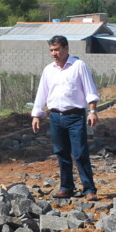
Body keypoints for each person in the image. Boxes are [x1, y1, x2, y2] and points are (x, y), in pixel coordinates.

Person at [30, 35, 100, 201]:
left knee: (79, 152)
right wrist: (37, 115)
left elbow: (90, 89)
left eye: (57, 49)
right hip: (55, 116)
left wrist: (92, 111)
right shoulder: (48, 70)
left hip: (75, 116)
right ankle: (66, 187)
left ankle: (89, 189)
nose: (54, 53)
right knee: (61, 152)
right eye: (52, 50)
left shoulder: (78, 66)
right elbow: (42, 93)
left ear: (66, 49)